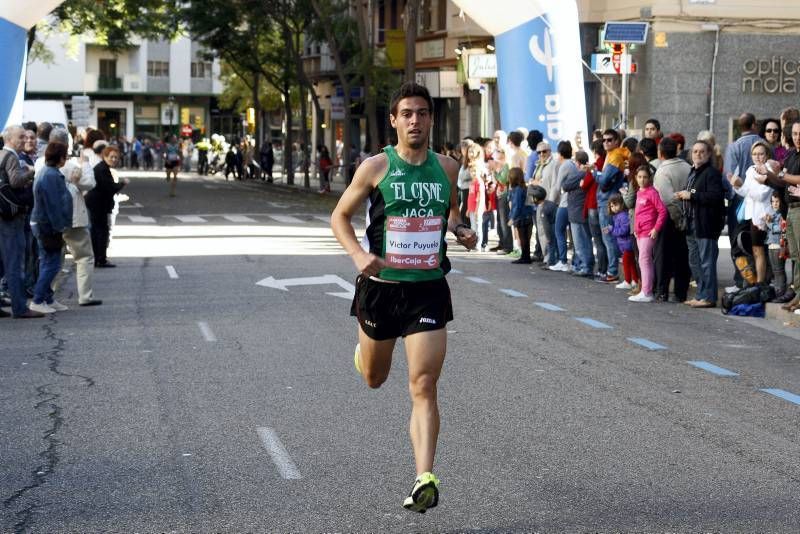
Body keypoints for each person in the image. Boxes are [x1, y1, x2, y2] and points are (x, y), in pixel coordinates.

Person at [330, 82, 477, 514]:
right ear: (394, 120)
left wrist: (459, 228)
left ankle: (424, 478)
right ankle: (365, 353)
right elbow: (339, 216)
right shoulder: (375, 167)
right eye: (407, 113)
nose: (416, 120)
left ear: (432, 119)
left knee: (424, 384)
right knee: (375, 378)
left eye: (423, 113)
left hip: (428, 290)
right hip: (381, 290)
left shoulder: (447, 168)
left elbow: (449, 211)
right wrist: (358, 254)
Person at [34, 128, 102, 307]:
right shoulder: (68, 165)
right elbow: (89, 183)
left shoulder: (39, 163)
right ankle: (84, 295)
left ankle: (50, 294)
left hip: (48, 219)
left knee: (54, 259)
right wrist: (85, 164)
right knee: (84, 257)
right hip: (71, 218)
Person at [0, 125, 42, 318]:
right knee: (15, 262)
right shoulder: (10, 156)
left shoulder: (2, 155)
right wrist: (31, 172)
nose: (25, 140)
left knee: (4, 262)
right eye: (20, 137)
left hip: (4, 214)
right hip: (12, 217)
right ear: (9, 138)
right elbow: (16, 181)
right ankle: (20, 307)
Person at [677, 140, 725, 308]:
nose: (698, 154)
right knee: (694, 262)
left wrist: (691, 196)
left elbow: (715, 196)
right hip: (690, 222)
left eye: (702, 151)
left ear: (709, 154)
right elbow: (697, 191)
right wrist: (685, 194)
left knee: (706, 262)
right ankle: (700, 294)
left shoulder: (711, 173)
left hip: (705, 224)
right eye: (695, 151)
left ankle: (709, 297)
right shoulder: (693, 172)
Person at [760, 120, 800, 311]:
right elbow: (783, 181)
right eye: (795, 134)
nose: (797, 138)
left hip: (799, 208)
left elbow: (794, 178)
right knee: (795, 255)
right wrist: (767, 175)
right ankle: (798, 294)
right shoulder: (792, 155)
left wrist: (781, 174)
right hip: (790, 209)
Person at [29, 142, 72, 314]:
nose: (67, 158)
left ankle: (47, 298)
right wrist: (59, 227)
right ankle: (38, 299)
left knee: (48, 262)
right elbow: (54, 205)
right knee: (51, 264)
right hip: (48, 225)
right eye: (65, 155)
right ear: (60, 157)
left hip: (44, 223)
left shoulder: (47, 173)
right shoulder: (51, 175)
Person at [728, 141, 774, 285]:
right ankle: (753, 281)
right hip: (749, 214)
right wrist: (736, 185)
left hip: (761, 216)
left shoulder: (770, 169)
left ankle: (760, 284)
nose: (757, 157)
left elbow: (763, 194)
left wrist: (743, 187)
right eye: (754, 154)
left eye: (761, 154)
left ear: (767, 155)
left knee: (758, 250)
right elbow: (745, 192)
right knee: (743, 247)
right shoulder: (750, 169)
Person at [653, 137, 692, 303]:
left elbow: (667, 199)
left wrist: (677, 217)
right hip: (688, 213)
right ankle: (680, 292)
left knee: (664, 256)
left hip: (669, 217)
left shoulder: (662, 171)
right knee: (683, 255)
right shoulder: (688, 167)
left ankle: (662, 290)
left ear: (661, 154)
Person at [594, 128, 630, 283]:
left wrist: (596, 173)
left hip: (607, 201)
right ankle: (612, 271)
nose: (606, 143)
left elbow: (603, 182)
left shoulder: (615, 156)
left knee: (608, 236)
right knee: (608, 236)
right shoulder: (612, 154)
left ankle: (613, 272)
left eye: (609, 140)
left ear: (616, 141)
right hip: (607, 200)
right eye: (604, 140)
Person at [85, 146, 129, 268]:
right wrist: (122, 183)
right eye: (111, 157)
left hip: (97, 204)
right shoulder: (102, 169)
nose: (114, 159)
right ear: (105, 157)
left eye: (116, 157)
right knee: (100, 231)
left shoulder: (103, 168)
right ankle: (100, 258)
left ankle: (98, 258)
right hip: (97, 204)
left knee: (97, 231)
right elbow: (109, 188)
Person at [629, 166, 667, 302]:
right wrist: (635, 228)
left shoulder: (652, 192)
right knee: (645, 261)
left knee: (644, 260)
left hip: (648, 232)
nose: (642, 180)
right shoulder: (640, 192)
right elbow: (638, 212)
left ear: (649, 178)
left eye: (645, 177)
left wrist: (656, 228)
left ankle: (647, 292)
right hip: (639, 232)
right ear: (636, 178)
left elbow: (662, 211)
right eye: (639, 177)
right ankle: (646, 290)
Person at [563, 150, 593, 276]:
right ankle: (584, 266)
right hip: (580, 211)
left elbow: (565, 185)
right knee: (584, 240)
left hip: (577, 211)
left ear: (578, 163)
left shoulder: (581, 173)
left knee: (580, 242)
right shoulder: (587, 173)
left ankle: (586, 267)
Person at [606, 194, 638, 292]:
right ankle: (635, 280)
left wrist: (612, 230)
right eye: (612, 206)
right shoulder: (618, 216)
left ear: (621, 204)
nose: (614, 208)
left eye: (616, 205)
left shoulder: (623, 215)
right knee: (632, 263)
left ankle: (628, 281)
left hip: (627, 244)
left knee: (626, 262)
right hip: (626, 245)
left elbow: (624, 230)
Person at [765, 190, 789, 300]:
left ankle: (781, 293)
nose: (774, 204)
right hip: (771, 244)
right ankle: (777, 291)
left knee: (779, 271)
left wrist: (768, 223)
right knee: (775, 271)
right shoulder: (772, 214)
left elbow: (779, 229)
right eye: (773, 201)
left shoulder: (781, 215)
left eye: (777, 201)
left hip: (778, 245)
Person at [507, 167, 533, 263]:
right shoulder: (524, 188)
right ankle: (526, 256)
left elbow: (517, 205)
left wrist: (512, 218)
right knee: (526, 238)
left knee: (523, 238)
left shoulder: (517, 190)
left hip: (521, 217)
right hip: (528, 216)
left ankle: (525, 257)